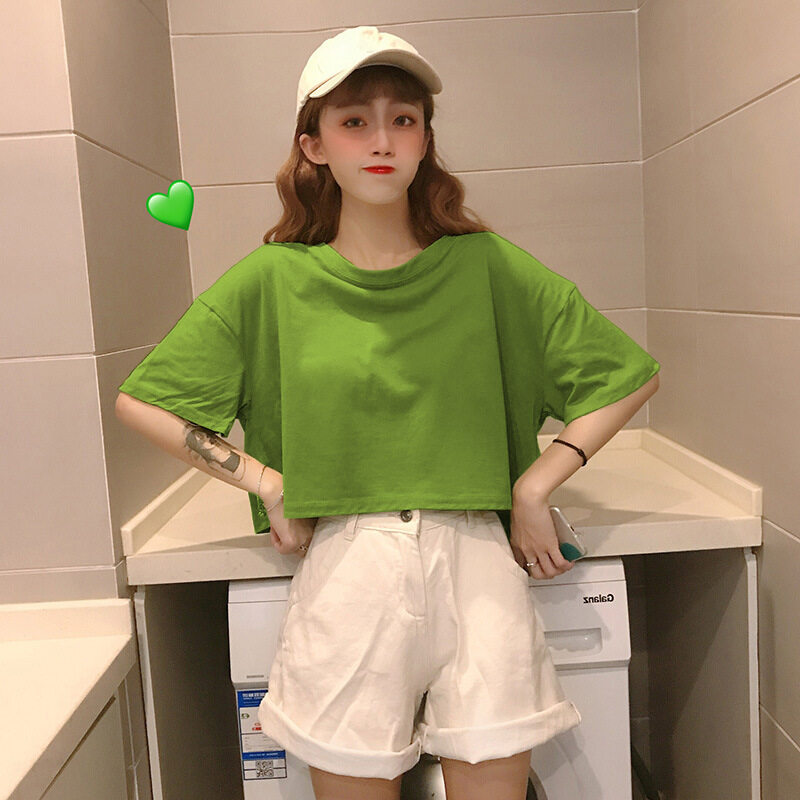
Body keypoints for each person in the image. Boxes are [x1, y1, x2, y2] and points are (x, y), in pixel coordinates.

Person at [116, 25, 660, 800]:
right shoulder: (274, 280)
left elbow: (626, 376)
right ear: (313, 145)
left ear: (425, 141)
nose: (381, 140)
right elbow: (143, 402)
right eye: (354, 121)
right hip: (346, 570)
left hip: (479, 564)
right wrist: (266, 482)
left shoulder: (484, 265)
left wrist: (537, 484)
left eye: (402, 119)